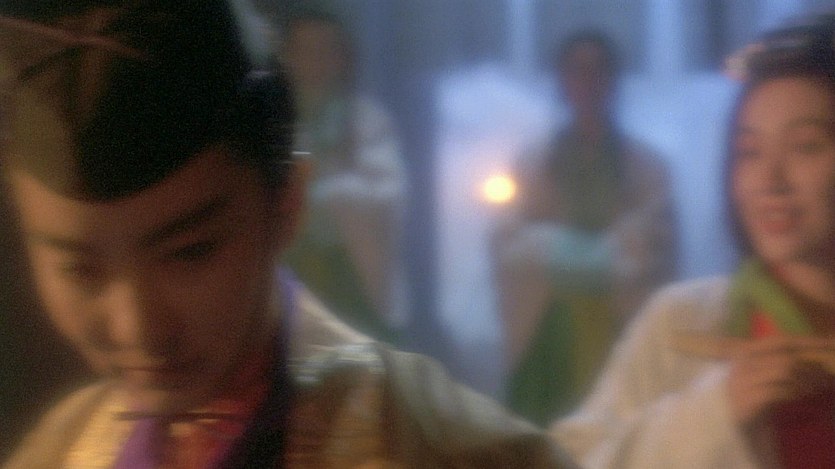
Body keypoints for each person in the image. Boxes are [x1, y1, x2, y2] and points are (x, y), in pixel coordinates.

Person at [0, 2, 577, 468]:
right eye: (80, 270)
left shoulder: (457, 452)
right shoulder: (58, 449)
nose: (139, 329)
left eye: (189, 253)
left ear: (287, 202)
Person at [552, 14, 835, 469]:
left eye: (805, 146)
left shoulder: (642, 162)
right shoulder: (681, 324)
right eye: (749, 152)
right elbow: (567, 460)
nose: (769, 181)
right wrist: (715, 412)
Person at [494, 30, 677, 425]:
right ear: (561, 81)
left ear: (614, 80)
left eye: (598, 70)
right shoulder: (533, 162)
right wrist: (597, 256)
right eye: (576, 70)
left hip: (619, 326)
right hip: (548, 332)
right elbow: (508, 239)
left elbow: (655, 246)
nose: (588, 82)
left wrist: (561, 253)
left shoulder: (647, 166)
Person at [279, 5, 408, 344]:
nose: (317, 62)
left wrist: (331, 195)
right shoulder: (272, 120)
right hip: (288, 271)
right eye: (306, 51)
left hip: (351, 272)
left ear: (342, 57)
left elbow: (388, 192)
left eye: (327, 51)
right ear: (288, 58)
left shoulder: (366, 119)